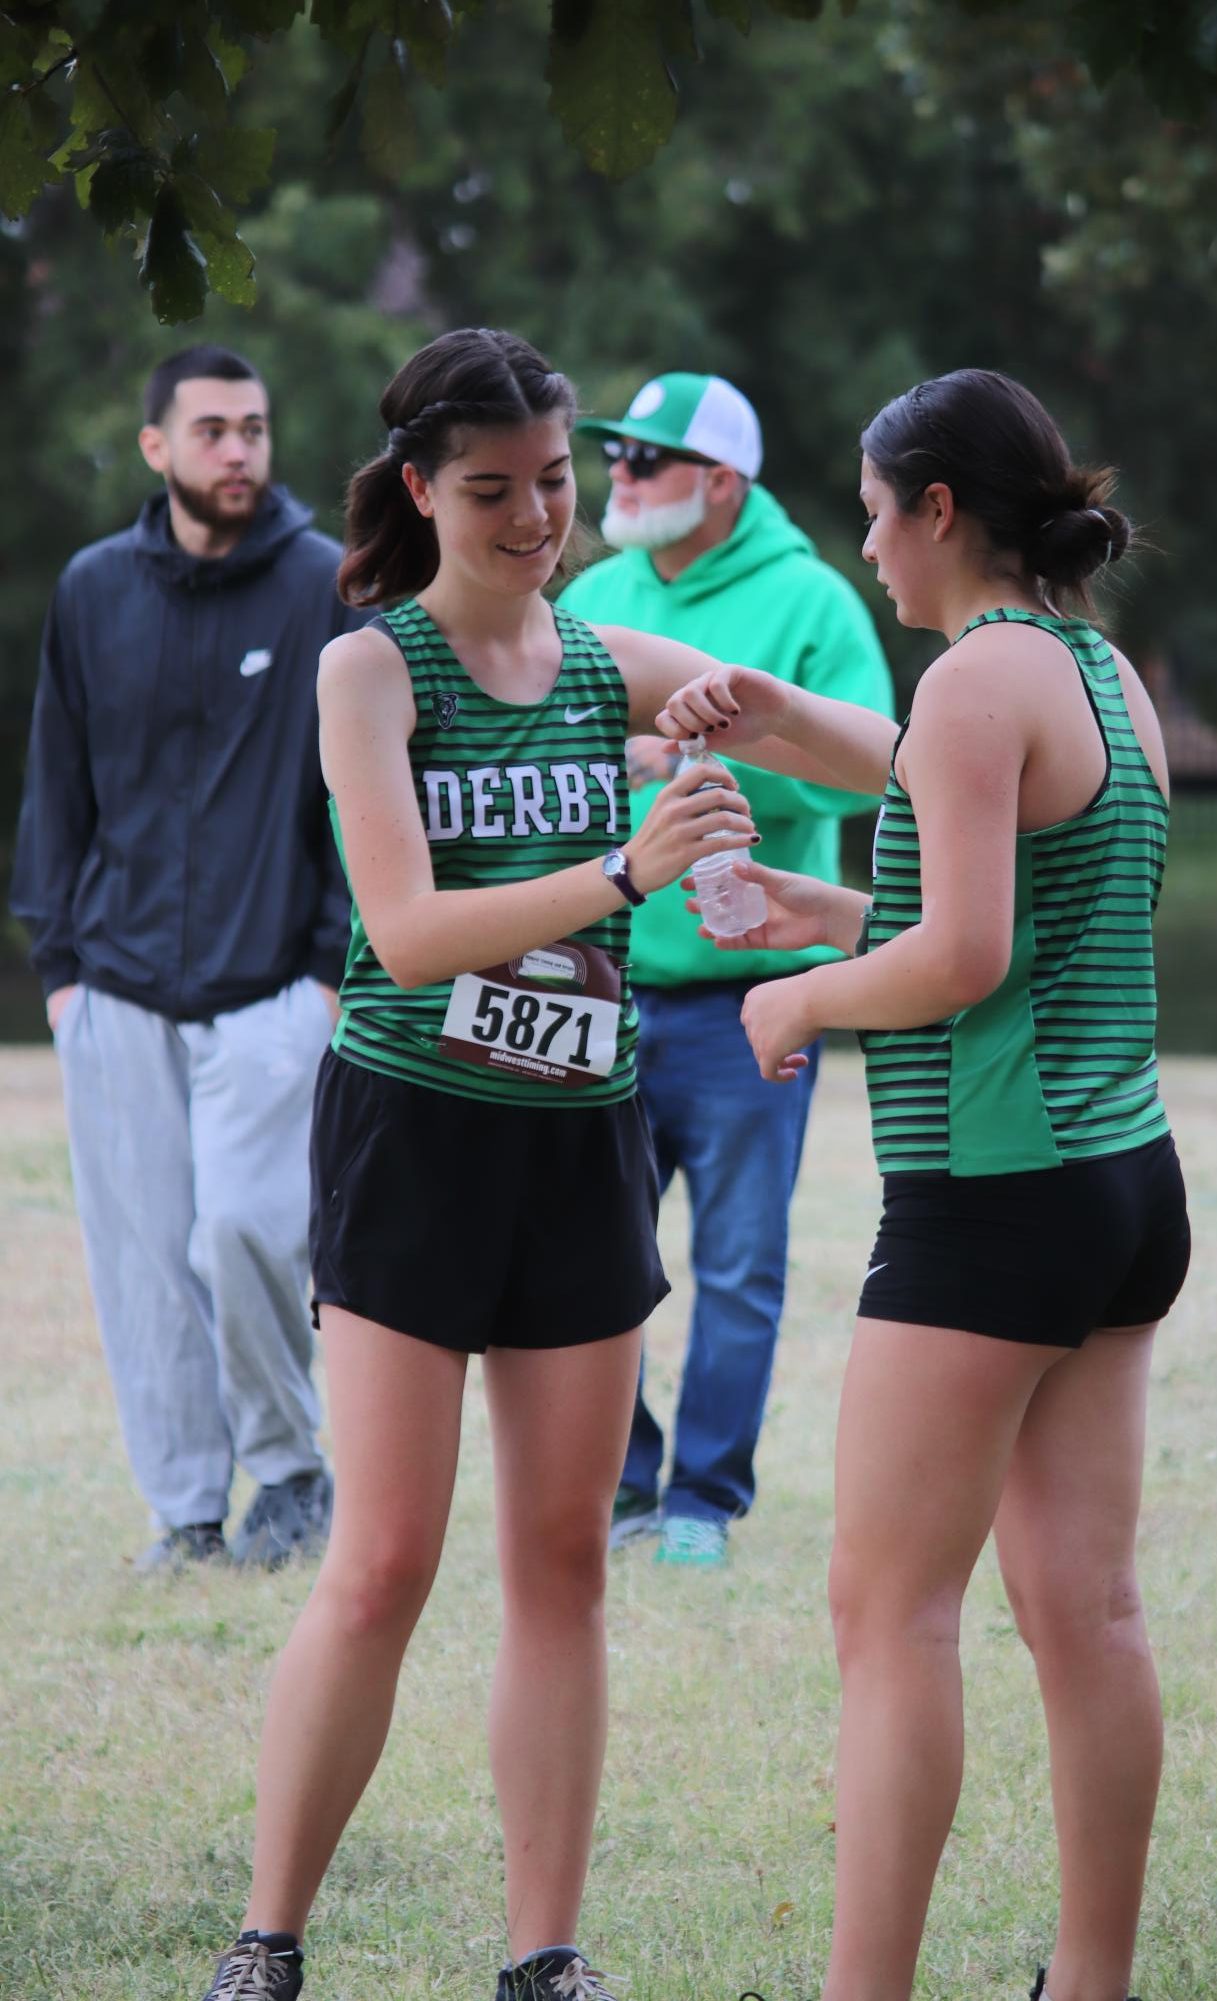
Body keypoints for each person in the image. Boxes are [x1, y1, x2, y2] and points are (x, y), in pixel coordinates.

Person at [195, 328, 763, 2001]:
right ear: (425, 490)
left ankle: (543, 1954)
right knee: (381, 1560)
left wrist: (959, 732)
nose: (533, 518)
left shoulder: (607, 657)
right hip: (414, 1140)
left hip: (580, 1142)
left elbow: (842, 741)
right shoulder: (370, 669)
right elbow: (405, 927)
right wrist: (622, 865)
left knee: (564, 1561)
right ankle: (269, 1931)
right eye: (494, 491)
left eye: (557, 483)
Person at [655, 369, 1191, 2001]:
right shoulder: (1094, 671)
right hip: (1117, 1186)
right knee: (1084, 1610)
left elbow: (957, 954)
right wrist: (814, 892)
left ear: (935, 509)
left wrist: (797, 998)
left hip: (988, 1203)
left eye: (874, 511)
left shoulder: (973, 684)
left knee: (886, 1614)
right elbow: (1006, 915)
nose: (863, 546)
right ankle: (1087, 1983)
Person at [11, 344, 357, 1572]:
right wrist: (60, 972)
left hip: (273, 989)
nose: (238, 453)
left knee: (249, 1234)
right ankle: (189, 1514)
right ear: (156, 447)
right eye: (211, 431)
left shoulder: (327, 585)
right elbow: (57, 781)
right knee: (146, 1264)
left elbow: (357, 794)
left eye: (254, 429)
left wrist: (326, 975)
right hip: (114, 990)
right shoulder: (95, 589)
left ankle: (292, 1470)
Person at [560, 372, 892, 1566]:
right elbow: (544, 759)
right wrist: (644, 758)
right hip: (602, 990)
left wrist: (729, 749)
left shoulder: (812, 599)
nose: (619, 477)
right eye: (615, 457)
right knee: (594, 1260)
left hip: (749, 997)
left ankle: (704, 1502)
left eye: (647, 460)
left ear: (723, 483)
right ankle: (621, 1487)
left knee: (740, 1263)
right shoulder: (590, 595)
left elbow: (872, 769)